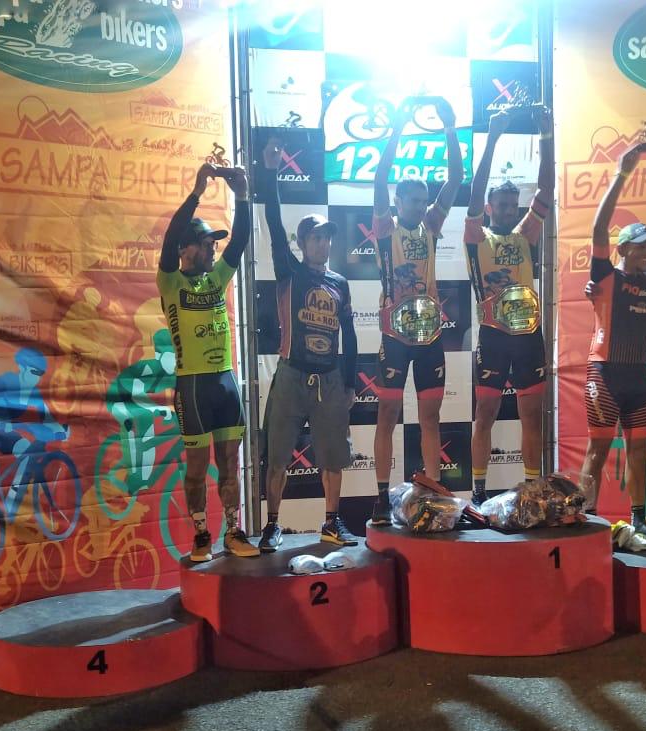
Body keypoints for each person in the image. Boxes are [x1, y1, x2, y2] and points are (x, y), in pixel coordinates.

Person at [258, 137, 359, 549]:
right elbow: (273, 223)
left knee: (333, 455)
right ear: (302, 244)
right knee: (278, 455)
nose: (323, 244)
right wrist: (269, 174)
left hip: (330, 379)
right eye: (315, 238)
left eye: (327, 238)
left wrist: (350, 383)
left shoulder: (340, 283)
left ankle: (331, 522)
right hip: (291, 374)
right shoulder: (289, 271)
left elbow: (350, 335)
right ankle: (272, 524)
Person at [370, 98, 464, 525]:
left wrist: (450, 128)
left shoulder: (430, 226)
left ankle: (431, 491)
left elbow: (456, 178)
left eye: (424, 200)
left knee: (430, 417)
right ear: (398, 201)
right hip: (394, 335)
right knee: (387, 415)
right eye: (413, 200)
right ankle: (379, 495)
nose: (421, 206)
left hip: (429, 335)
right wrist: (395, 129)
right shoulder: (385, 227)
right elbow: (379, 176)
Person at [577, 144, 646, 547]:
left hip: (637, 376)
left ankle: (639, 521)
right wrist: (621, 174)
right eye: (641, 245)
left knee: (639, 453)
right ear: (623, 249)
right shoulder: (604, 275)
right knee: (597, 451)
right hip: (604, 373)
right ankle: (585, 522)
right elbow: (600, 228)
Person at [157, 162, 251, 561]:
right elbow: (169, 237)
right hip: (192, 385)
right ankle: (200, 535)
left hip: (224, 382)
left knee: (230, 463)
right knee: (196, 468)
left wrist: (242, 194)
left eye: (214, 242)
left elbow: (240, 240)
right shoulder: (171, 281)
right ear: (184, 249)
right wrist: (196, 192)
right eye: (205, 242)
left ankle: (234, 531)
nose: (213, 247)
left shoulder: (217, 279)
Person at [464, 105, 554, 506]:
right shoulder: (476, 236)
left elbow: (546, 192)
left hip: (528, 335)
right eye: (500, 204)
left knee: (531, 415)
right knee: (485, 414)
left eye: (511, 204)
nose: (507, 209)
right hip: (494, 336)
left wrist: (546, 136)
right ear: (488, 207)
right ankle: (479, 492)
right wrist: (493, 137)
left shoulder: (526, 234)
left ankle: (532, 488)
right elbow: (473, 193)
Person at [0, 347, 67, 545]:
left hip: (1, 433)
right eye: (33, 372)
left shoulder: (34, 392)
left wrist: (61, 430)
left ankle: (10, 504)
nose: (36, 378)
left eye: (40, 374)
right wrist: (4, 422)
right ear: (22, 367)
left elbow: (47, 417)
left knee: (27, 450)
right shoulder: (5, 382)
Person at [106, 328, 177, 485]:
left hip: (138, 399)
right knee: (131, 425)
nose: (175, 362)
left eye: (177, 356)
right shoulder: (147, 369)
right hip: (118, 397)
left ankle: (144, 480)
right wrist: (160, 409)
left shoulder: (173, 375)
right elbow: (137, 399)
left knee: (149, 435)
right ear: (159, 356)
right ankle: (132, 476)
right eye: (171, 356)